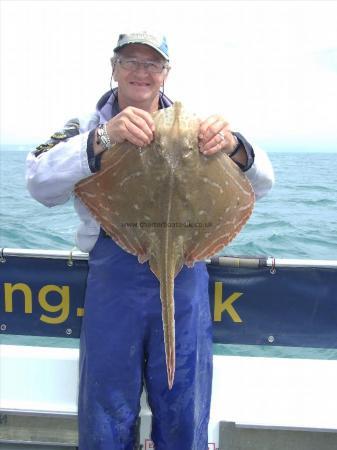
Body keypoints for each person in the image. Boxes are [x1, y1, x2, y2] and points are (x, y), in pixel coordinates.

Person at [26, 31, 274, 450]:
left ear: (166, 74)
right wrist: (105, 139)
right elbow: (38, 182)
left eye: (152, 64)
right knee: (107, 401)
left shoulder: (197, 129)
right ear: (113, 68)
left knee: (184, 399)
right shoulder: (85, 126)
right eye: (130, 62)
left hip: (187, 265)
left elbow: (263, 182)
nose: (141, 72)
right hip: (114, 271)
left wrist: (233, 145)